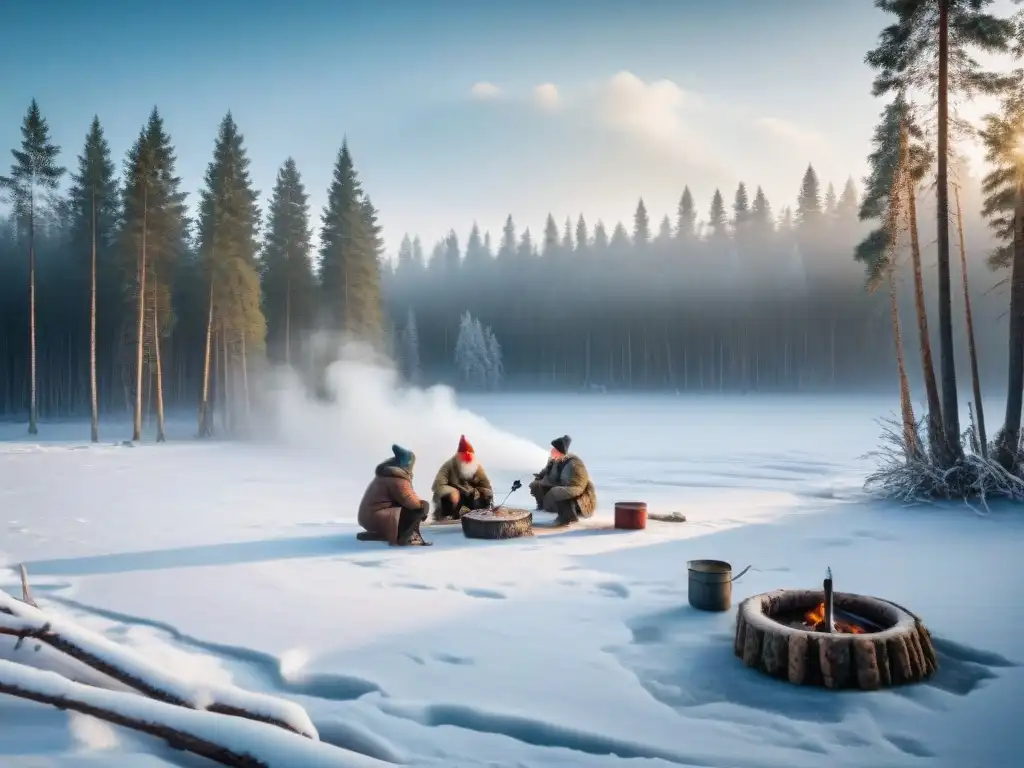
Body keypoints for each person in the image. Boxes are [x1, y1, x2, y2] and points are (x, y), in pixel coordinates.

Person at [357, 444, 432, 546]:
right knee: (418, 509)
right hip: (377, 517)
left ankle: (383, 533)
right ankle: (405, 537)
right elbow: (408, 499)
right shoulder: (397, 478)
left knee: (412, 507)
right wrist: (423, 505)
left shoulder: (386, 475)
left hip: (369, 517)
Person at [529, 435, 597, 527]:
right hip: (560, 486)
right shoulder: (553, 461)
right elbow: (545, 473)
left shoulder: (574, 464)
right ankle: (544, 508)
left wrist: (557, 486)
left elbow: (579, 486)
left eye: (554, 450)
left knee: (557, 491)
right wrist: (539, 478)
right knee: (535, 485)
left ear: (560, 452)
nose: (551, 451)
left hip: (578, 493)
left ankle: (568, 517)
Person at [431, 435, 494, 521]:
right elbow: (437, 485)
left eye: (469, 453)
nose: (467, 455)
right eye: (464, 453)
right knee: (448, 496)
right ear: (458, 455)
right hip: (454, 500)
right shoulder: (449, 465)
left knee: (485, 494)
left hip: (471, 498)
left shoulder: (476, 466)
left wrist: (487, 498)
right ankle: (448, 518)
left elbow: (486, 486)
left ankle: (483, 516)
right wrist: (452, 491)